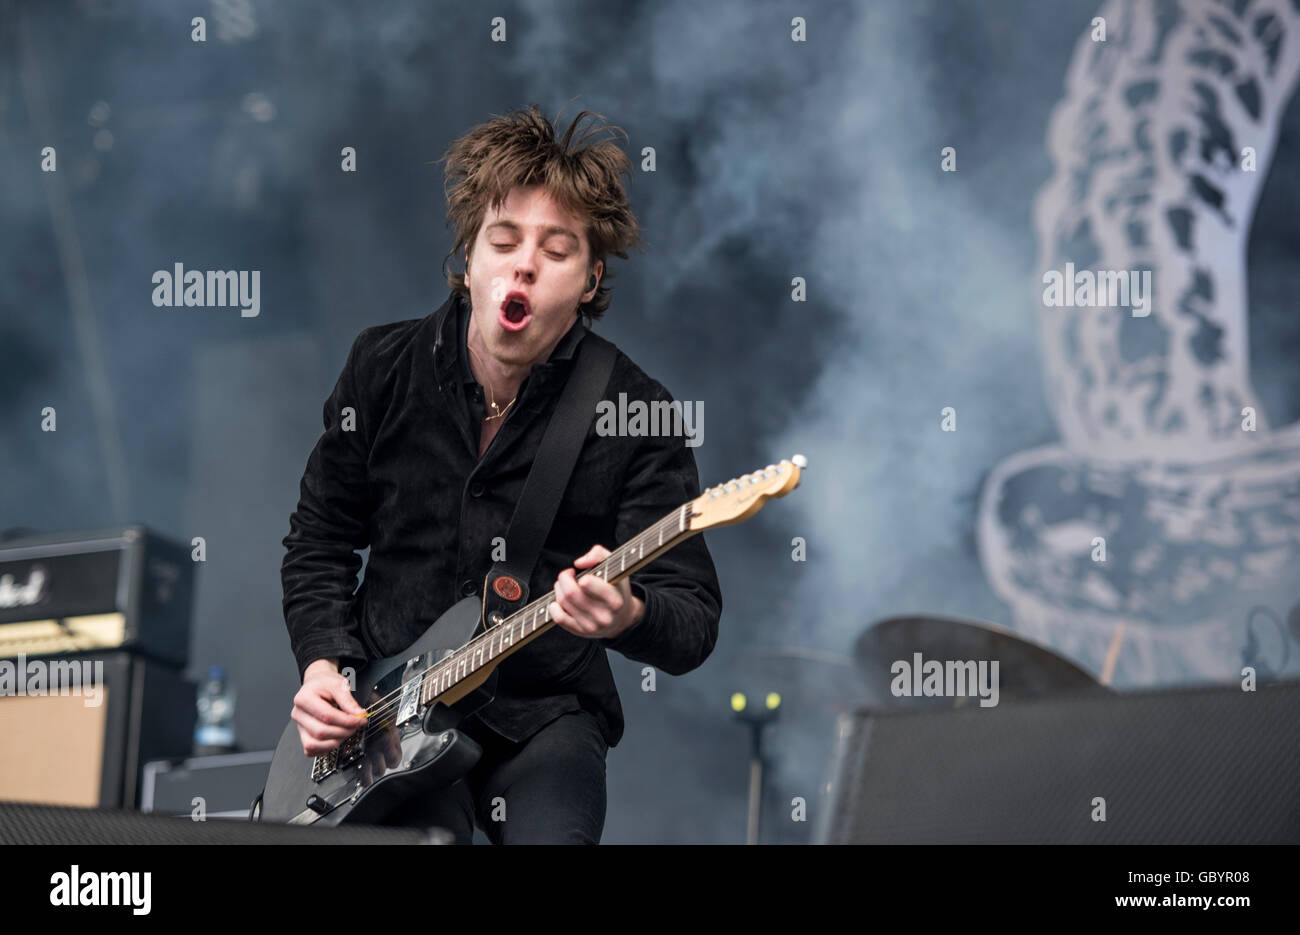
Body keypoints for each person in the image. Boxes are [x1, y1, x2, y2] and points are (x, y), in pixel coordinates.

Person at [280, 104, 723, 844]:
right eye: (504, 239)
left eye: (556, 249)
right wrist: (324, 664)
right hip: (385, 721)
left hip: (543, 715)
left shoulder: (634, 409)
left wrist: (629, 613)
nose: (523, 264)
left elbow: (694, 615)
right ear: (470, 259)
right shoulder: (382, 367)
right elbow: (319, 540)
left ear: (590, 279)